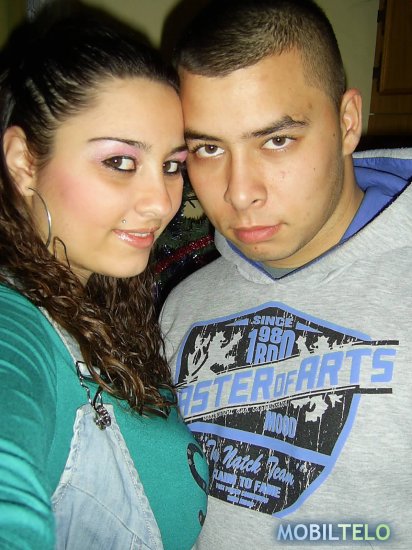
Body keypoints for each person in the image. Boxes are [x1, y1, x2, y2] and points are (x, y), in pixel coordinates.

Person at [159, 0, 412, 548]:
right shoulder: (182, 306)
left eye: (276, 140)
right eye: (208, 148)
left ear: (347, 123)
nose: (240, 192)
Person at [0, 5, 208, 549]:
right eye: (119, 162)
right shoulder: (14, 322)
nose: (161, 202)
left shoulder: (107, 299)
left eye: (171, 165)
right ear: (23, 162)